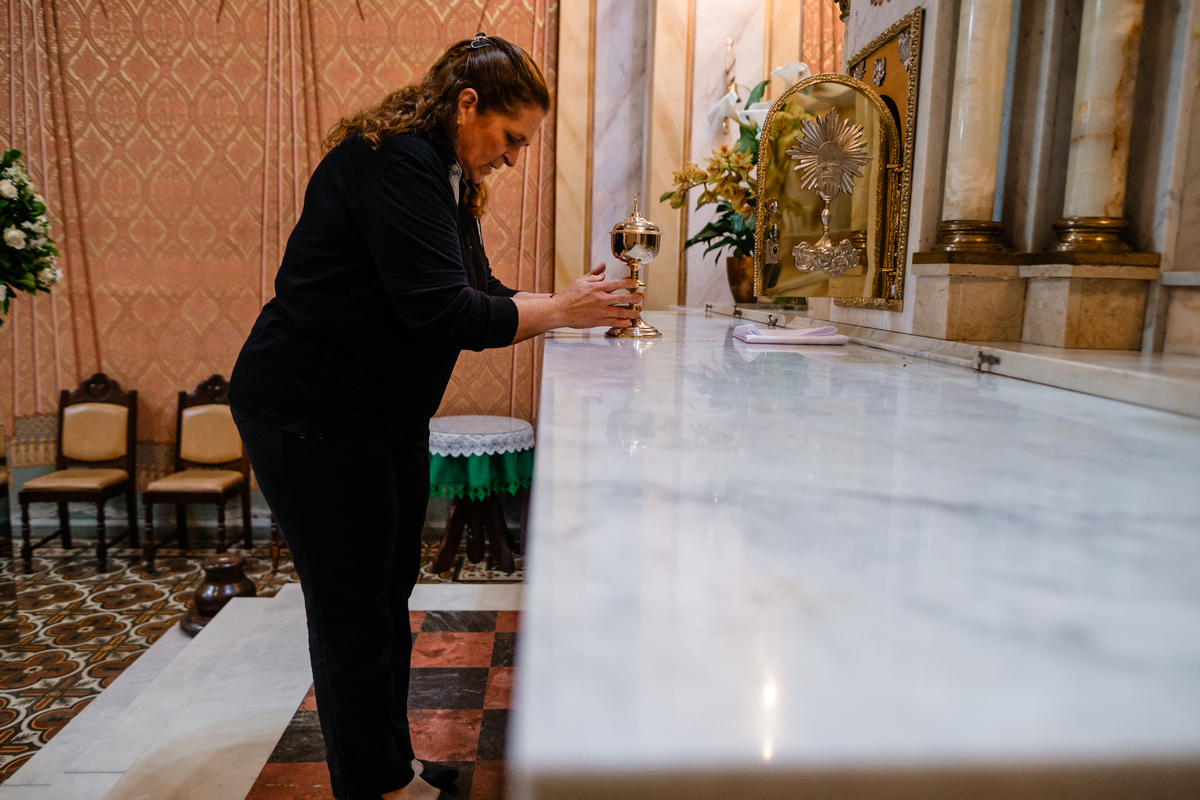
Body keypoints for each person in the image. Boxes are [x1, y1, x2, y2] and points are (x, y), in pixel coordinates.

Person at [229, 33, 641, 800]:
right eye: (511, 137)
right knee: (353, 609)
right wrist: (562, 310)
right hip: (309, 410)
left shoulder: (441, 173)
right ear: (466, 103)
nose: (513, 158)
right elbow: (443, 312)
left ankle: (391, 768)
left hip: (372, 412)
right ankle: (374, 787)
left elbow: (476, 289)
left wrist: (573, 311)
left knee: (388, 593)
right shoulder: (396, 163)